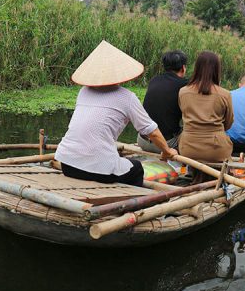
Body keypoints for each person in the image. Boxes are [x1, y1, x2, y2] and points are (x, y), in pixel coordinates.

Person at [55, 40, 178, 187]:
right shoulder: (127, 97)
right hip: (99, 169)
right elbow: (151, 131)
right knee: (137, 169)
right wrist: (167, 150)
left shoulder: (83, 91)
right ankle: (134, 204)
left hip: (68, 164)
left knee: (115, 161)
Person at [178, 51, 234, 183]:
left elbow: (183, 116)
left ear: (196, 68)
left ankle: (192, 175)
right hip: (216, 149)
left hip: (188, 148)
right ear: (217, 70)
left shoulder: (183, 92)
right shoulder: (225, 94)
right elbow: (229, 123)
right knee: (226, 147)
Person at [137, 50, 188, 153]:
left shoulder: (154, 80)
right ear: (183, 68)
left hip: (142, 140)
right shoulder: (185, 85)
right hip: (165, 144)